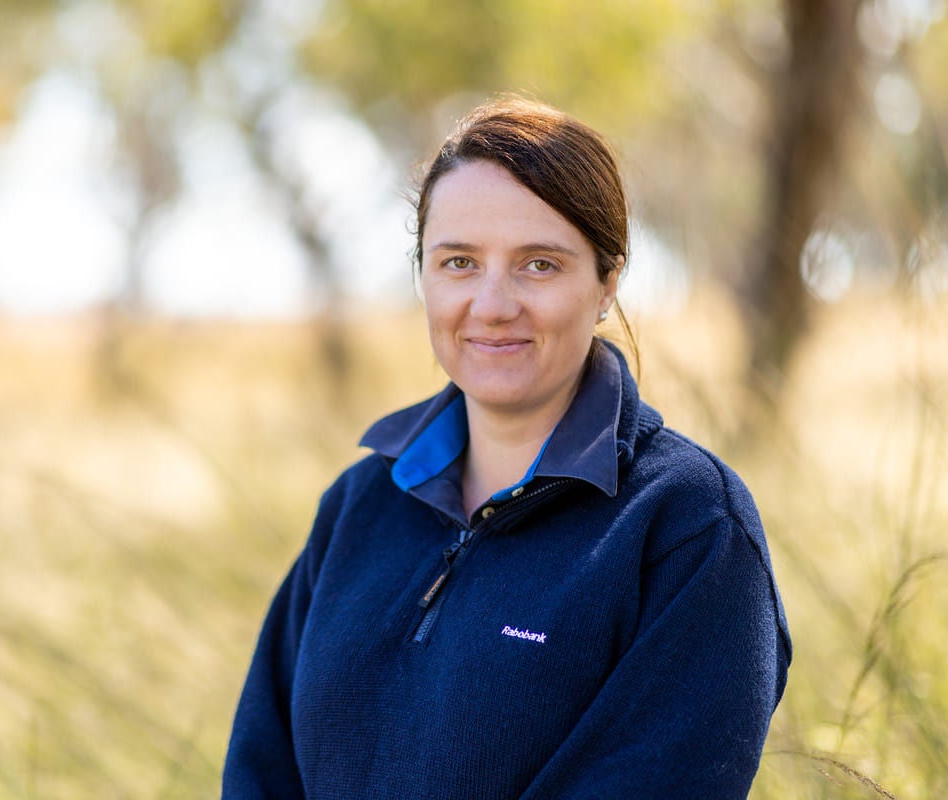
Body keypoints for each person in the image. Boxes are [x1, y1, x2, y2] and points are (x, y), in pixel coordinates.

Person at [223, 97, 792, 800]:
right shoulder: (357, 507)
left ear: (607, 284)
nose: (492, 305)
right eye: (459, 262)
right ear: (424, 275)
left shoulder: (688, 526)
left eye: (539, 265)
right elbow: (258, 775)